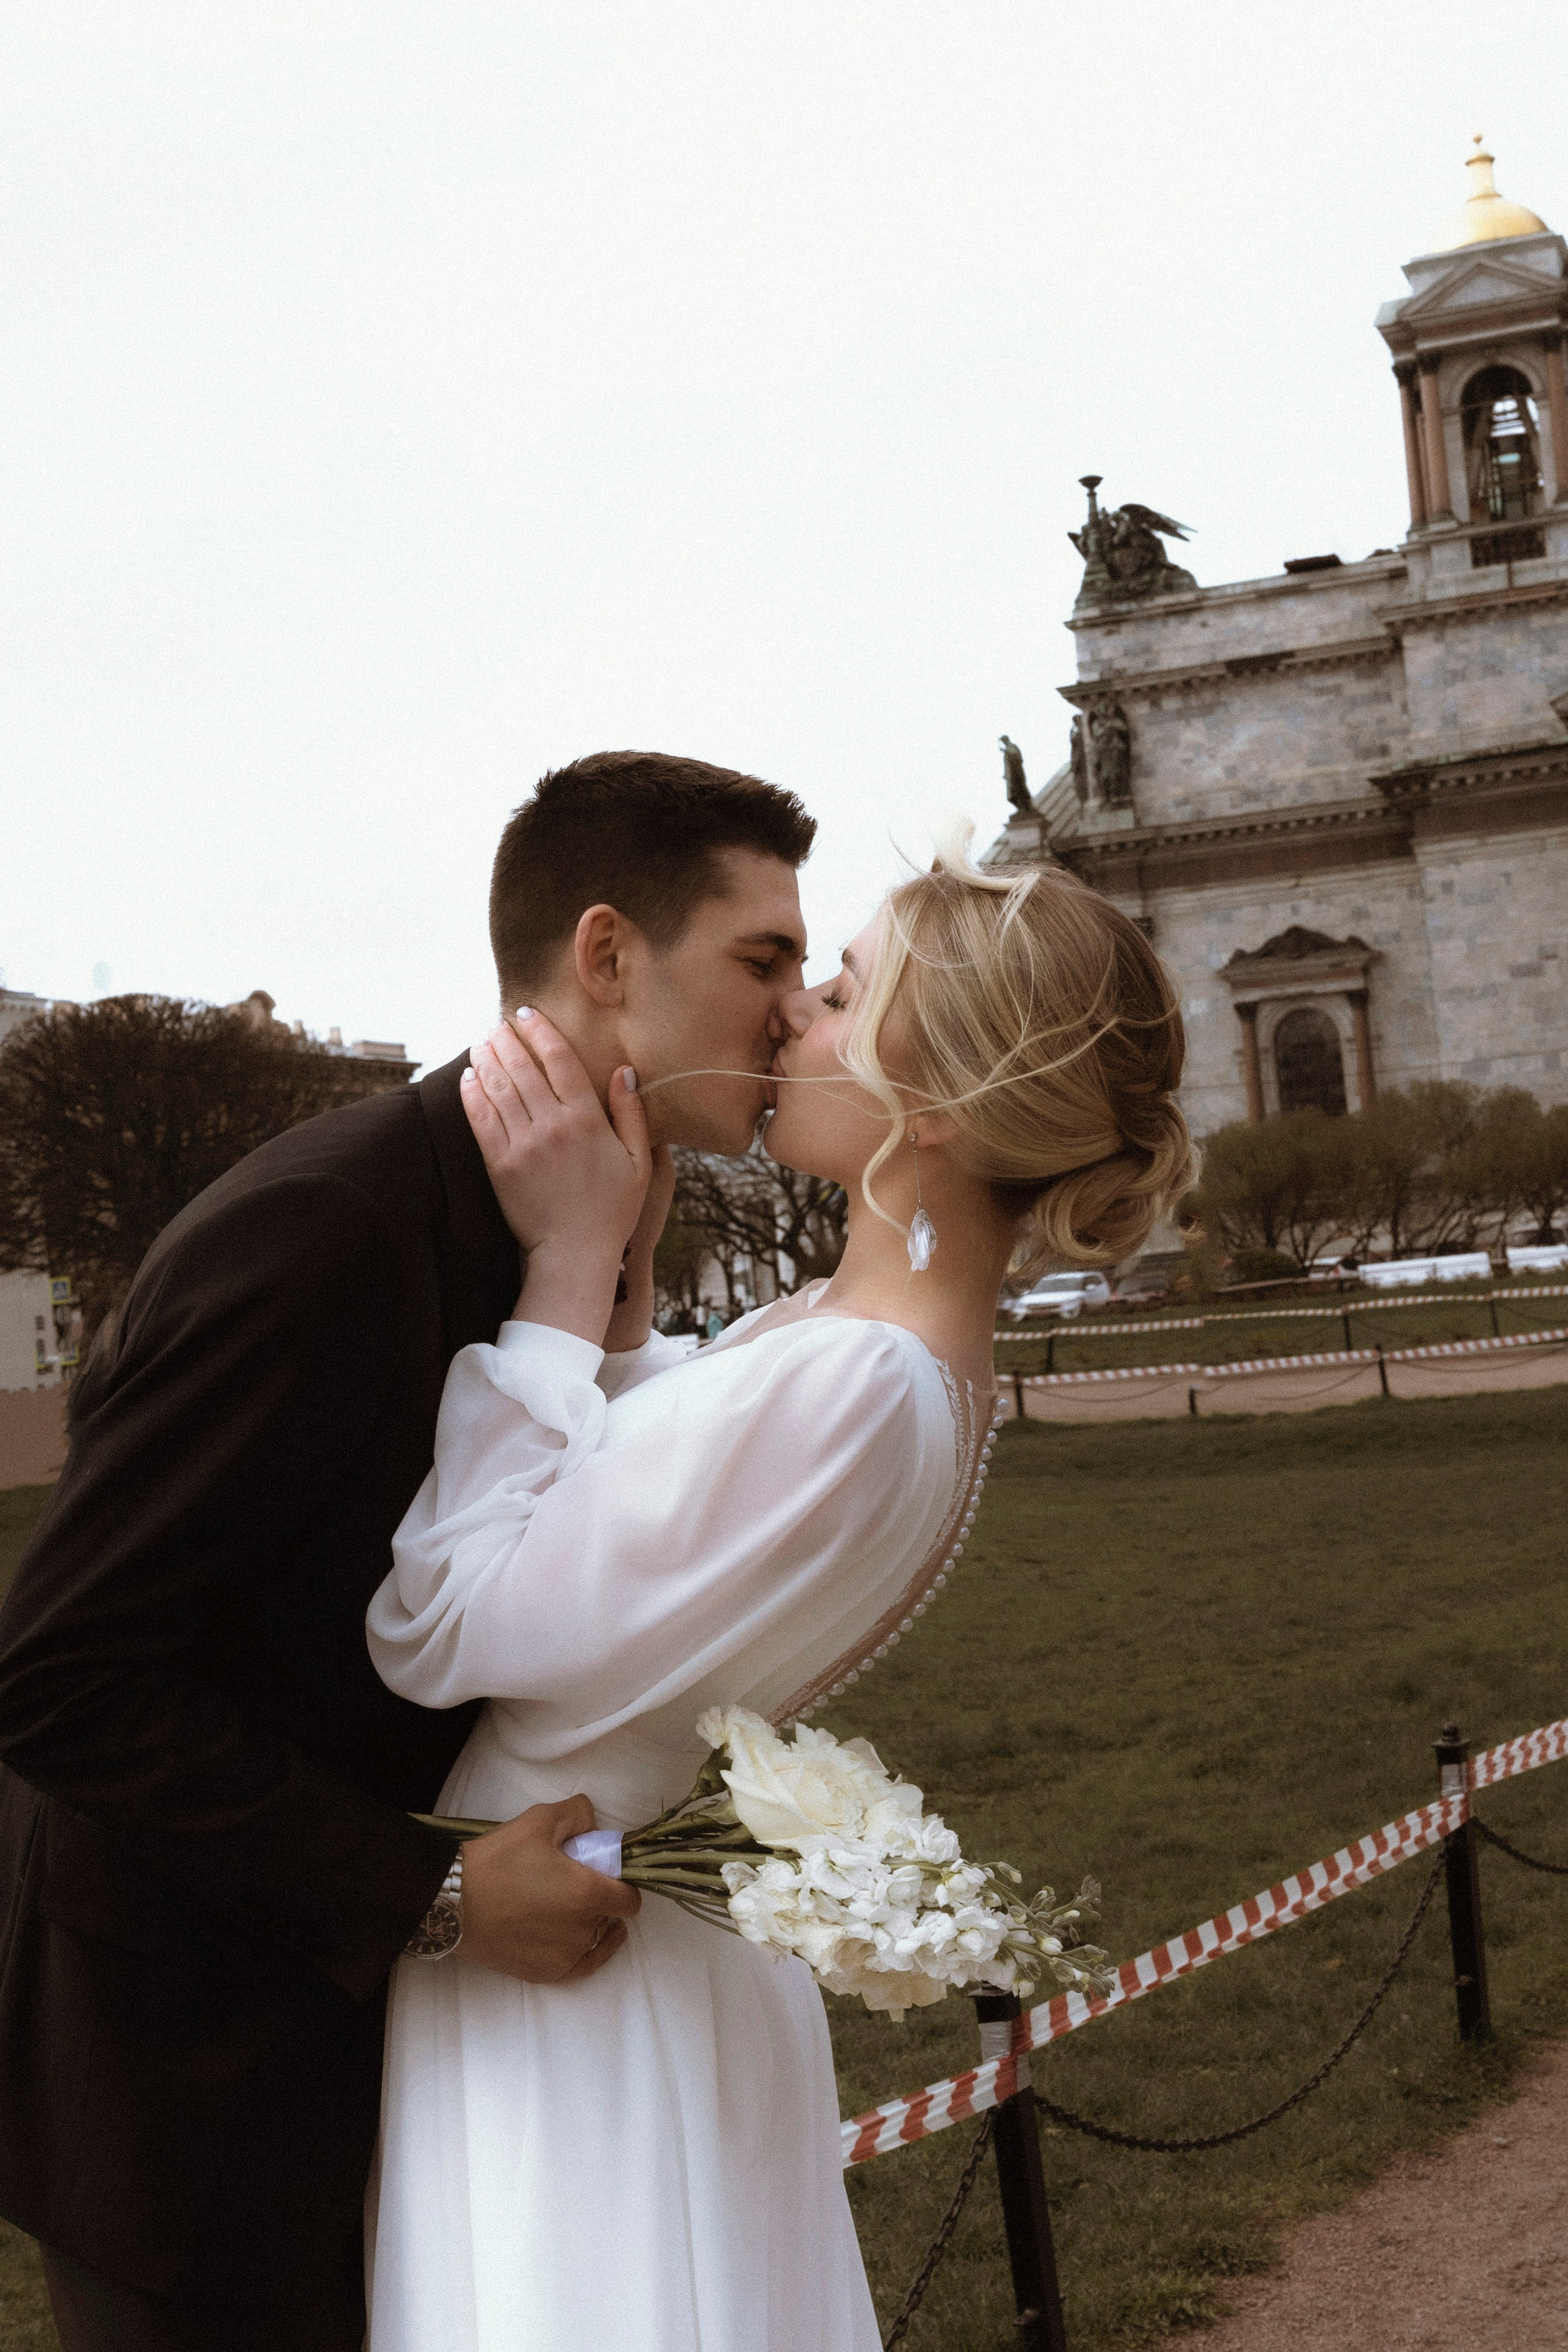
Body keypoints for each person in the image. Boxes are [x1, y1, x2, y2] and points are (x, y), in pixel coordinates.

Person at [0, 750, 816, 2352]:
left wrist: (610, 1297)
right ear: (604, 957)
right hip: (185, 2092)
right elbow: (59, 1677)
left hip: (401, 2058)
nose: (794, 1011)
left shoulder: (581, 1228)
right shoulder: (326, 1226)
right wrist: (428, 1892)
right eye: (764, 959)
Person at [364, 835, 1197, 2350]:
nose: (789, 1016)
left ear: (932, 1108)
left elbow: (441, 1624)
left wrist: (559, 1274)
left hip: (572, 1998)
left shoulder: (859, 1384)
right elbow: (642, 1548)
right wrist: (618, 1313)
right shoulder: (855, 1337)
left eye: (840, 993)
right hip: (618, 1956)